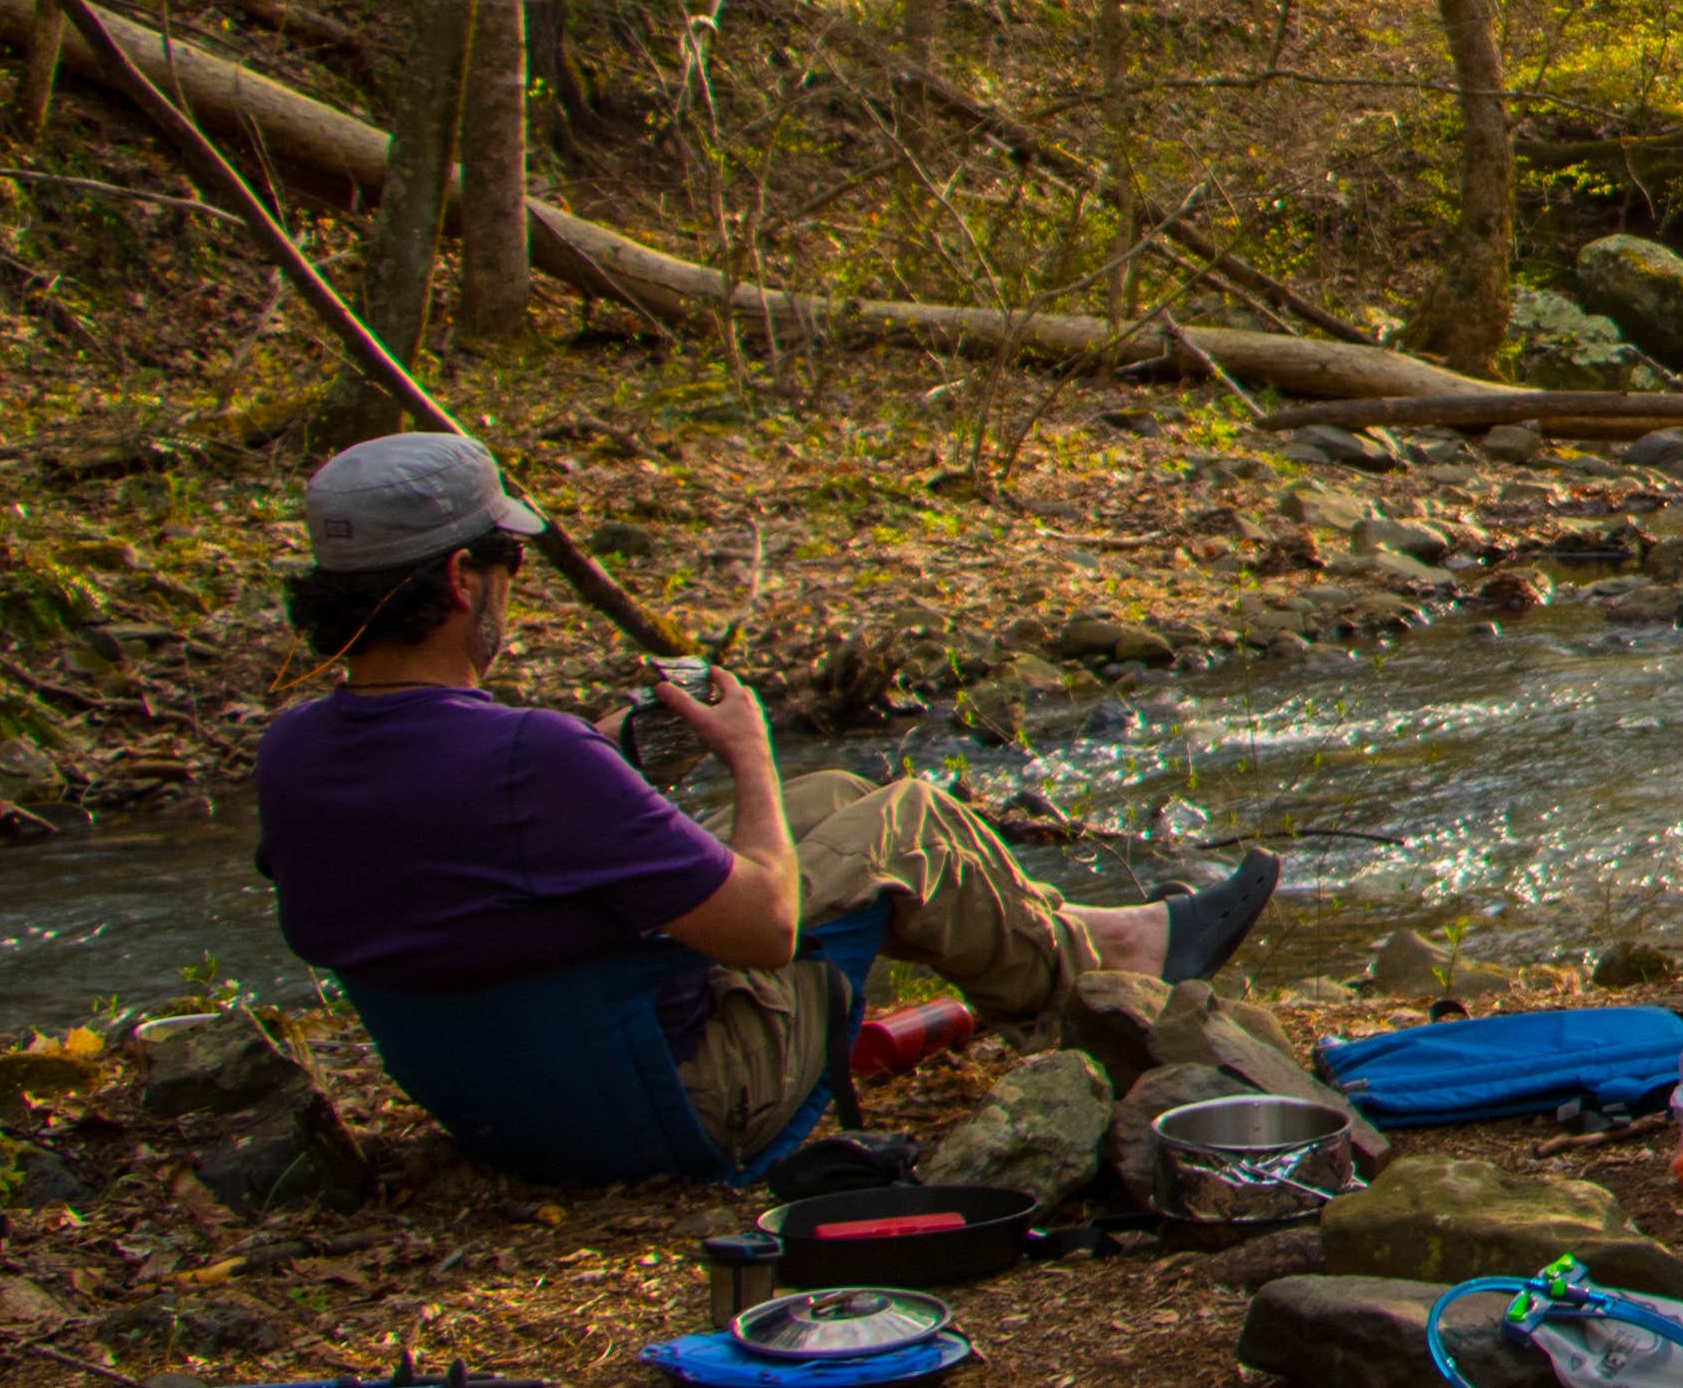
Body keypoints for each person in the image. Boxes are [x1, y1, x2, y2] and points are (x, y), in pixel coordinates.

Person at [254, 432, 1279, 1165]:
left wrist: (613, 768)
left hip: (504, 1100)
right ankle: (1107, 968)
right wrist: (745, 751)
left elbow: (451, 873)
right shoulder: (528, 755)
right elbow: (764, 925)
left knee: (830, 789)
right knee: (903, 819)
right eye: (510, 558)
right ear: (461, 578)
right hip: (679, 1104)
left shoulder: (295, 747)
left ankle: (1097, 936)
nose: (516, 582)